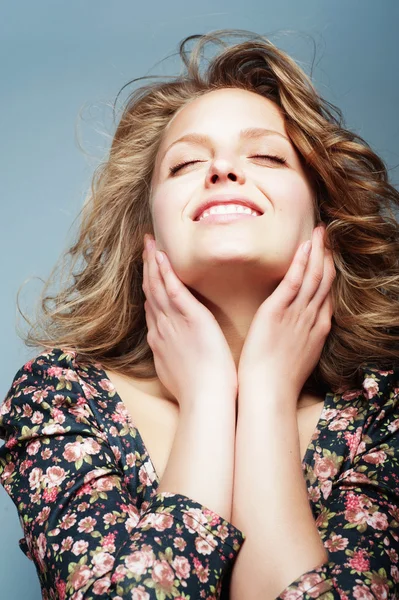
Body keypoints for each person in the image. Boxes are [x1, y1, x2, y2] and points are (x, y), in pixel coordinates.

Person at [1, 28, 399, 600]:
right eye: (185, 164)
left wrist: (264, 392)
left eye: (265, 155)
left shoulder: (381, 416)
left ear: (323, 217)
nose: (223, 170)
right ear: (148, 232)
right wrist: (211, 397)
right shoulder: (59, 397)